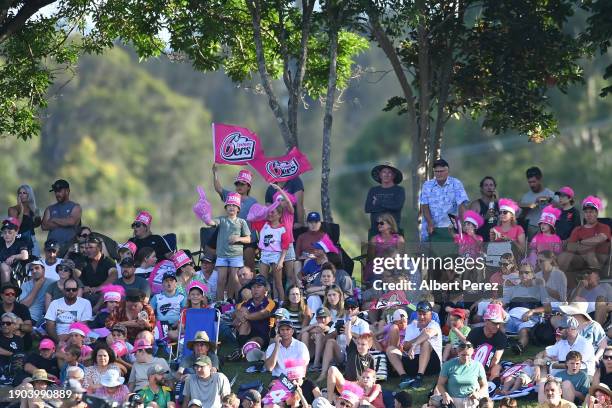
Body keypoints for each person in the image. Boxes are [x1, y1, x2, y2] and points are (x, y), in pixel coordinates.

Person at [203, 192, 251, 300]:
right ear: (226, 208)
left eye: (234, 205)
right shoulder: (222, 220)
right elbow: (211, 223)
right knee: (221, 280)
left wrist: (238, 239)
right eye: (229, 205)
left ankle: (239, 302)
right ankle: (220, 304)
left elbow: (248, 239)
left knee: (235, 279)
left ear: (238, 209)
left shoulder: (242, 222)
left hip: (236, 255)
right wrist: (206, 217)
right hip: (222, 255)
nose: (231, 207)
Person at [253, 186, 295, 301]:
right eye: (270, 213)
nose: (271, 214)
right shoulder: (265, 224)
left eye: (273, 213)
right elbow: (254, 220)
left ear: (279, 214)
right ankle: (268, 302)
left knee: (280, 281)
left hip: (279, 252)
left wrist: (279, 189)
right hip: (266, 255)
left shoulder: (286, 218)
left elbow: (285, 246)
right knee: (263, 280)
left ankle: (283, 302)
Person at [387, 301, 442, 389]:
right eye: (419, 314)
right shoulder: (411, 326)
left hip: (431, 364)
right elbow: (405, 346)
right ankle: (404, 376)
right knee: (390, 349)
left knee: (426, 342)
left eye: (424, 314)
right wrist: (417, 340)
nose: (422, 317)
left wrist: (415, 345)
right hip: (413, 359)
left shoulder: (434, 324)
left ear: (430, 314)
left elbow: (428, 334)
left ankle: (419, 377)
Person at [213, 166, 258, 269]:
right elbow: (218, 188)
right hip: (230, 237)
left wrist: (257, 244)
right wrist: (215, 173)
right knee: (233, 269)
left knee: (249, 267)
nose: (239, 186)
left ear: (248, 186)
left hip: (247, 239)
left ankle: (253, 284)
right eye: (237, 184)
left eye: (242, 184)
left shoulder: (253, 202)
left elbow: (257, 223)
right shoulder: (230, 196)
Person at [317, 297, 370, 382]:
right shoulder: (339, 321)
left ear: (357, 309)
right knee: (330, 341)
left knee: (359, 345)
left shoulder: (363, 324)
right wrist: (335, 333)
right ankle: (323, 373)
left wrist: (349, 332)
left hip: (356, 354)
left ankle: (350, 373)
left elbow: (367, 341)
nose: (350, 310)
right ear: (344, 309)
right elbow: (325, 339)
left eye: (353, 308)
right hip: (341, 354)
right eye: (347, 308)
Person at [560, 196, 611, 281]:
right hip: (581, 260)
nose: (588, 214)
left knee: (587, 251)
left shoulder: (604, 227)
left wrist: (580, 243)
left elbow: (600, 238)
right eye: (586, 212)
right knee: (564, 255)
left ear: (596, 213)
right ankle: (560, 279)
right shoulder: (578, 230)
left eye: (591, 212)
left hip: (600, 260)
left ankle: (595, 276)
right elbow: (570, 247)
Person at [419, 158, 469, 244]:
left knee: (452, 253)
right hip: (433, 227)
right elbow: (424, 206)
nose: (439, 174)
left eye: (442, 171)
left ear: (447, 171)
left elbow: (461, 204)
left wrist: (463, 223)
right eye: (436, 171)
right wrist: (430, 223)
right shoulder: (427, 185)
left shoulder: (456, 183)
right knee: (431, 254)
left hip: (451, 227)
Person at [436, 341, 488, 408]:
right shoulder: (448, 365)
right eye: (463, 355)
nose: (466, 358)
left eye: (468, 355)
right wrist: (445, 394)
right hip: (453, 400)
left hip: (472, 399)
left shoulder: (478, 365)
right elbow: (440, 384)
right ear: (458, 353)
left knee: (488, 403)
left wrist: (478, 393)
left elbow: (484, 385)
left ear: (472, 353)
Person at [233, 275, 276, 350]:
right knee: (243, 318)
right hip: (247, 333)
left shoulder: (271, 303)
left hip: (262, 336)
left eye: (259, 286)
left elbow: (263, 314)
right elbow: (234, 317)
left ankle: (242, 350)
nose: (255, 289)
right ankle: (242, 348)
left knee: (254, 341)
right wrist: (238, 314)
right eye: (253, 287)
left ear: (265, 289)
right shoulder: (244, 303)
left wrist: (245, 315)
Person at [467, 303, 507, 381]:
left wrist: (482, 370)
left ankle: (490, 388)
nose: (497, 326)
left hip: (491, 365)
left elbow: (496, 359)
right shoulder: (475, 332)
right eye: (494, 323)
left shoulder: (501, 337)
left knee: (496, 368)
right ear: (486, 321)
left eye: (498, 323)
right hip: (473, 362)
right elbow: (468, 350)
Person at [44, 277, 92, 342]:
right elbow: (50, 325)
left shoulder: (85, 303)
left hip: (77, 335)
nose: (71, 292)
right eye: (68, 289)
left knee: (92, 339)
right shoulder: (55, 303)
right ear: (63, 290)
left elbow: (82, 325)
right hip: (57, 336)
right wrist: (59, 341)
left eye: (74, 289)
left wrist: (65, 337)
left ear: (77, 290)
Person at [365, 162, 405, 238]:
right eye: (384, 172)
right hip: (375, 232)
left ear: (394, 175)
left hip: (394, 232)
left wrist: (378, 202)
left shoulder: (399, 190)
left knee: (398, 250)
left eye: (389, 172)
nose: (386, 174)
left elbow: (397, 206)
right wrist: (389, 204)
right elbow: (368, 208)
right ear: (380, 175)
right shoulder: (373, 190)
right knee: (370, 250)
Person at [41, 179, 82, 253]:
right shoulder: (50, 208)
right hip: (52, 250)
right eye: (55, 192)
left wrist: (54, 219)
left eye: (59, 191)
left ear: (67, 191)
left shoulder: (76, 207)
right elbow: (44, 226)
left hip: (70, 249)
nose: (57, 194)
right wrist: (65, 222)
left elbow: (72, 221)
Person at [365, 213, 405, 283]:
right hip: (377, 266)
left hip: (394, 265)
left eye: (381, 223)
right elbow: (370, 258)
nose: (379, 225)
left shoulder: (399, 239)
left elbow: (401, 257)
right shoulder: (374, 239)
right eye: (378, 223)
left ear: (390, 224)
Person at [81, 236, 119, 309]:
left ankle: (96, 309)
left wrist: (98, 288)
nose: (87, 250)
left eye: (90, 247)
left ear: (98, 248)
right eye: (86, 248)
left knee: (108, 290)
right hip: (86, 293)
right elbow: (75, 273)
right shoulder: (83, 260)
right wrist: (82, 287)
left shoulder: (108, 261)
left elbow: (113, 275)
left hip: (102, 295)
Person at [518, 167, 555, 240]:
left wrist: (549, 200)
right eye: (530, 182)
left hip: (548, 229)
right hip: (531, 229)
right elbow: (520, 216)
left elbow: (561, 208)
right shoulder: (526, 197)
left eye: (534, 182)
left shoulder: (550, 194)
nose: (532, 185)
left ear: (540, 180)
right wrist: (533, 205)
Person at [8, 184, 42, 257]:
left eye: (24, 193)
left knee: (36, 261)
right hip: (17, 239)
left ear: (29, 195)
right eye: (20, 193)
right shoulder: (13, 210)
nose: (21, 195)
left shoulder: (34, 210)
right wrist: (21, 209)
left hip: (31, 239)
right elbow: (15, 226)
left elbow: (35, 225)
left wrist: (38, 217)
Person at [150, 272, 186, 340]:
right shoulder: (156, 297)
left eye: (171, 280)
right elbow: (149, 311)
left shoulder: (182, 297)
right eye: (166, 281)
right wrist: (155, 321)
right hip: (160, 325)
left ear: (176, 283)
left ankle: (174, 339)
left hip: (177, 326)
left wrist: (178, 322)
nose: (169, 283)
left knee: (181, 328)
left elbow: (185, 313)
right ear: (162, 284)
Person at [19, 260, 54, 326]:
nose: (34, 271)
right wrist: (37, 287)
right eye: (31, 269)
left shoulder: (52, 283)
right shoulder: (25, 285)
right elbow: (23, 306)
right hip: (29, 317)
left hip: (47, 318)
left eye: (37, 268)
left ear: (43, 269)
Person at [0, 282, 32, 349]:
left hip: (22, 343)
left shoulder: (22, 308)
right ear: (2, 296)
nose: (10, 296)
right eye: (7, 294)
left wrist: (16, 326)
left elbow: (29, 328)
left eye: (13, 294)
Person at [0, 217, 29, 284]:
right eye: (5, 232)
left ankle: (6, 289)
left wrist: (13, 256)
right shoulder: (1, 241)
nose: (7, 235)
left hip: (14, 271)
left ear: (16, 232)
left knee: (4, 266)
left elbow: (25, 255)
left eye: (10, 232)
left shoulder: (20, 242)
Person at [469, 176, 498, 242]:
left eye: (491, 185)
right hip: (481, 241)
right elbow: (469, 226)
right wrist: (484, 217)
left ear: (494, 188)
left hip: (497, 242)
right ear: (481, 188)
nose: (489, 187)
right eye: (486, 185)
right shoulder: (475, 205)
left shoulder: (499, 205)